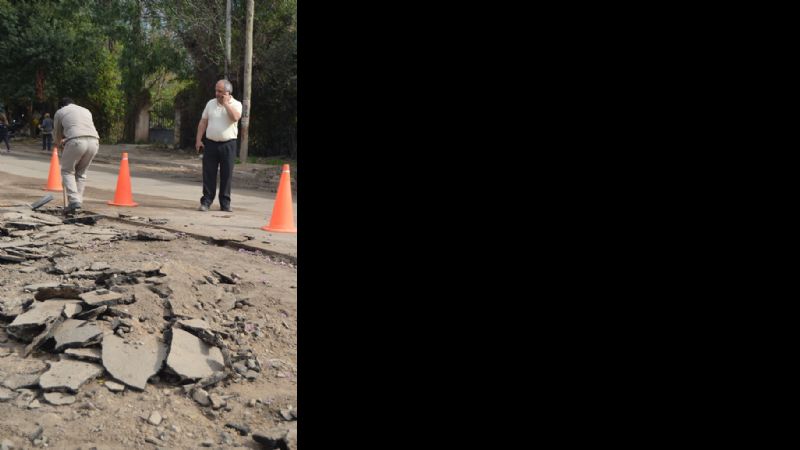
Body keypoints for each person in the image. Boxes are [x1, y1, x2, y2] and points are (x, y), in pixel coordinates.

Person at [195, 79, 242, 212]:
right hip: (210, 144)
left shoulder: (236, 104)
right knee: (208, 173)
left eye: (220, 91)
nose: (217, 93)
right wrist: (198, 140)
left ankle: (225, 203)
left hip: (229, 144)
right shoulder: (210, 103)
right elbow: (203, 122)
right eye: (216, 90)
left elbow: (235, 117)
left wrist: (226, 104)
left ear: (228, 92)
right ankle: (206, 201)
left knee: (226, 174)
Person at [53, 97, 100, 213]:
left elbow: (57, 133)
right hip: (94, 142)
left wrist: (58, 144)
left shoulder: (60, 112)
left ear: (61, 106)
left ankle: (74, 201)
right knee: (81, 173)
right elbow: (82, 128)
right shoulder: (86, 110)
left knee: (67, 171)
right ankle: (77, 202)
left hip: (76, 141)